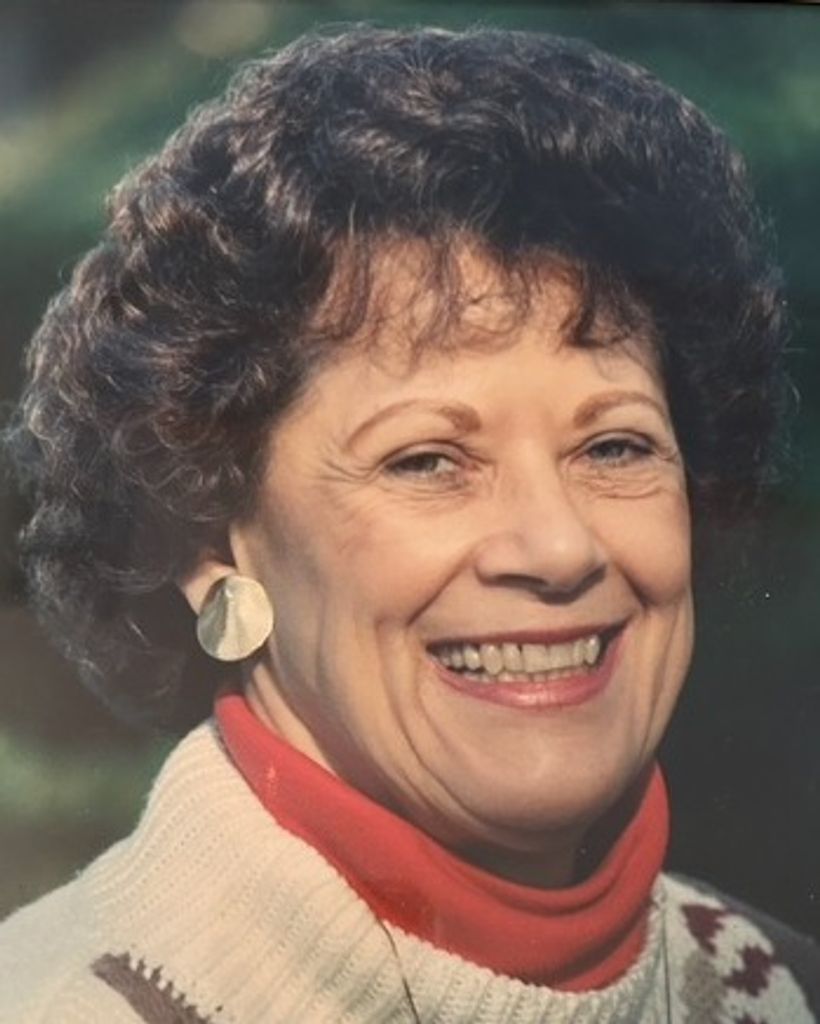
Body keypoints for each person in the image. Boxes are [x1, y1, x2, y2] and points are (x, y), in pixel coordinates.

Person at [0, 24, 817, 1023]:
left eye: (614, 447)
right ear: (208, 543)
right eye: (426, 460)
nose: (560, 546)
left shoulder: (784, 989)